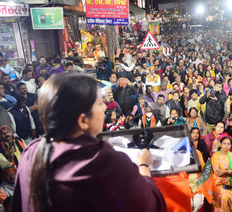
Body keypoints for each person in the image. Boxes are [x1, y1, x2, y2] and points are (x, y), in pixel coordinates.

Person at [12, 73, 166, 212]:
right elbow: (151, 205)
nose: (105, 107)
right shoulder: (103, 161)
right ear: (83, 120)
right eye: (99, 103)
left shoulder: (31, 153)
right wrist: (144, 166)